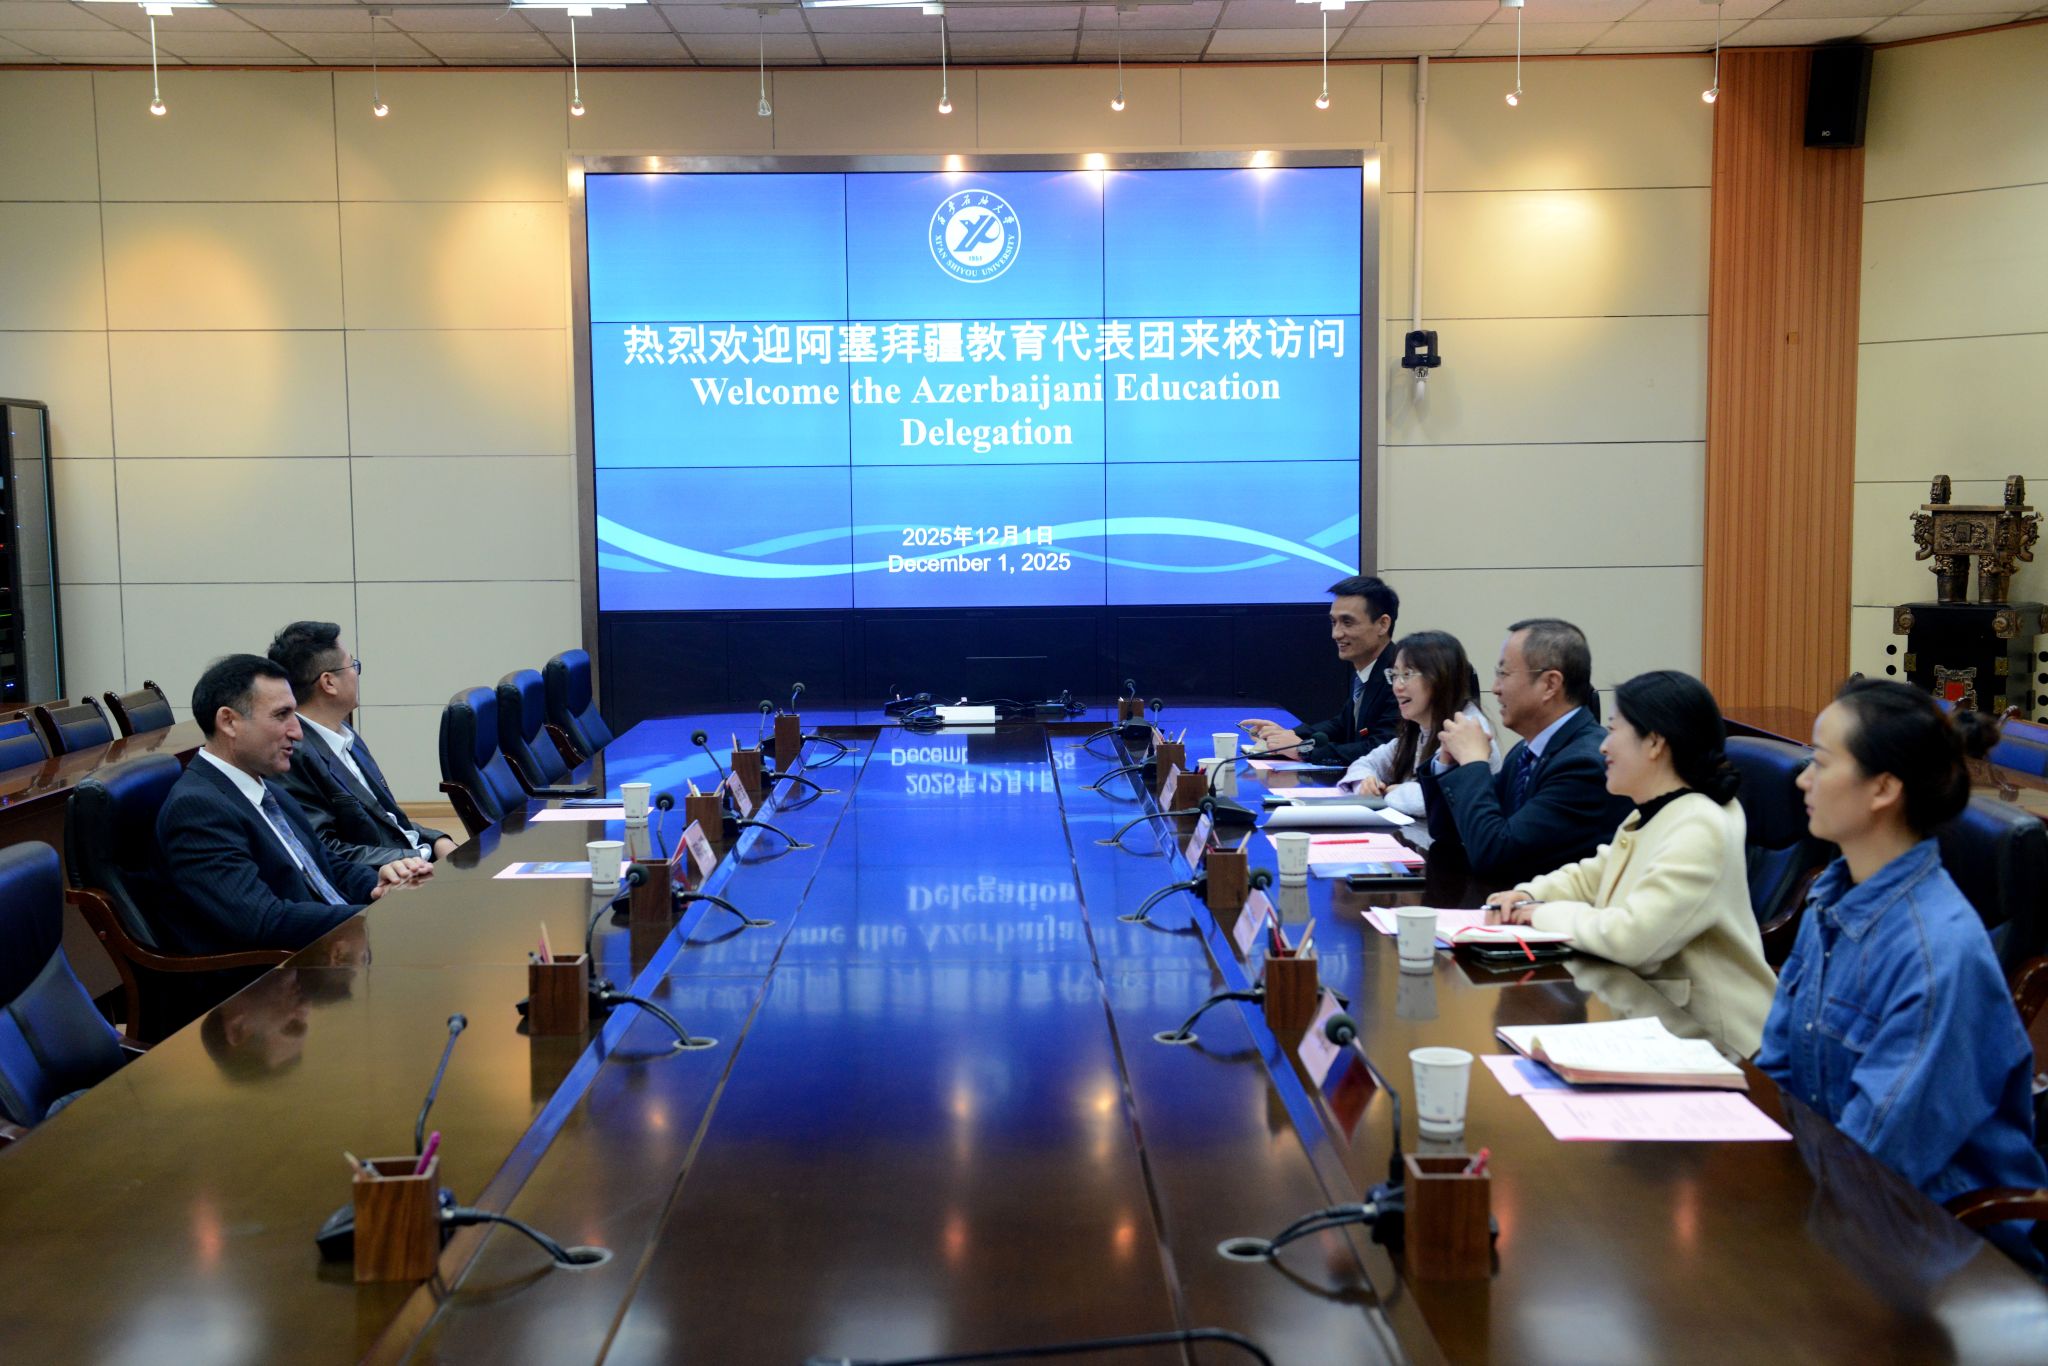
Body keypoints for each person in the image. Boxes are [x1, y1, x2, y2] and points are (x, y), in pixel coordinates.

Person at [1758, 678, 2048, 1272]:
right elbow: (1780, 1073)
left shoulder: (1936, 954)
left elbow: (1878, 1157)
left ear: (1884, 788)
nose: (1803, 779)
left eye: (1821, 762)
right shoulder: (1832, 897)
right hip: (1837, 1207)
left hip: (1939, 1247)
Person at [1484, 670, 1775, 1057]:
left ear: (1654, 742)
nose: (1603, 746)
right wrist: (1528, 893)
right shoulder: (1656, 810)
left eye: (1613, 730)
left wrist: (1540, 913)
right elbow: (1592, 876)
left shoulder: (1700, 824)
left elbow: (1630, 938)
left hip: (1715, 1043)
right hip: (1654, 1020)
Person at [156, 655, 426, 954]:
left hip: (334, 950)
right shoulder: (197, 808)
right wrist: (372, 917)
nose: (297, 732)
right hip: (286, 972)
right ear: (229, 722)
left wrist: (380, 883)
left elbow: (326, 865)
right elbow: (261, 920)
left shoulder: (269, 789)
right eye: (281, 715)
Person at [1427, 618, 1633, 883]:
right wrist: (1447, 765)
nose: (1495, 688)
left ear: (1550, 684)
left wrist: (1473, 763)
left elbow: (1496, 857)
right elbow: (1448, 832)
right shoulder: (1525, 751)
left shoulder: (1584, 765)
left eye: (1504, 673)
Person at [268, 620, 457, 867]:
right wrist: (419, 857)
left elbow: (386, 819)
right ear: (328, 683)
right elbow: (324, 850)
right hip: (385, 877)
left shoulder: (345, 733)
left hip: (412, 861)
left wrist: (437, 841)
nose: (356, 674)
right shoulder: (293, 753)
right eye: (352, 665)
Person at [1336, 630, 1500, 819]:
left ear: (1440, 677)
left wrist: (1389, 792)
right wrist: (1366, 784)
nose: (1397, 686)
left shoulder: (1467, 728)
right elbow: (1365, 763)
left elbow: (1435, 800)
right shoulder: (1421, 728)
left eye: (1407, 674)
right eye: (1394, 675)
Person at [1241, 575, 1402, 765]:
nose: (1336, 634)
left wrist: (1303, 750)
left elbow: (1382, 749)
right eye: (1334, 622)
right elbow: (1342, 724)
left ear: (1383, 624)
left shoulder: (1399, 677)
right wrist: (1289, 735)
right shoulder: (1366, 670)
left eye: (1348, 622)